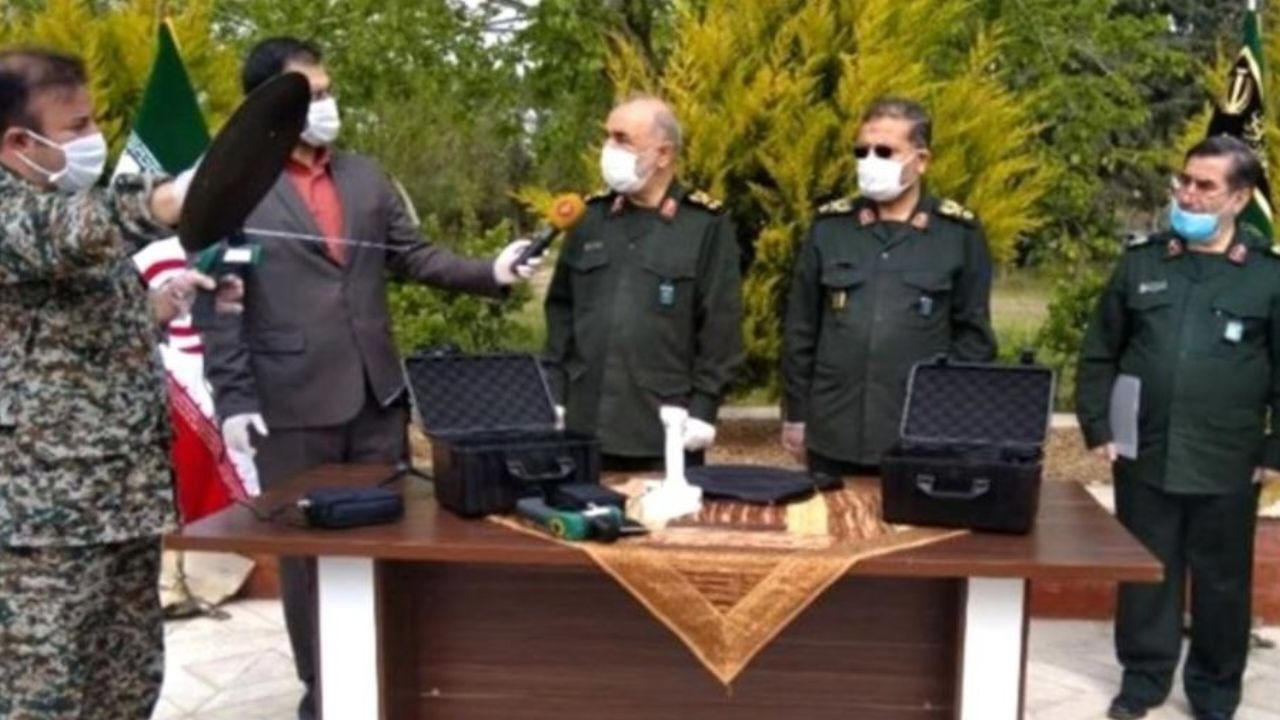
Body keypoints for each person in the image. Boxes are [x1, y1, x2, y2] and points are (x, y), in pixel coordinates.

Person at [200, 37, 540, 720]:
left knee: (391, 544)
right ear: (270, 105)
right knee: (308, 562)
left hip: (377, 400)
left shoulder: (364, 177)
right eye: (313, 95)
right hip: (290, 407)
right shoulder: (234, 187)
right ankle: (324, 696)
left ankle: (394, 686)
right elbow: (220, 304)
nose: (328, 105)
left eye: (329, 92)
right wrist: (233, 397)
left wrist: (491, 272)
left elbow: (414, 256)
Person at [0, 47, 238, 720]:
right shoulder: (33, 214)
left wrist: (163, 300)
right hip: (42, 522)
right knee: (43, 696)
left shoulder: (55, 201)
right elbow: (64, 234)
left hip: (120, 498)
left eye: (92, 120)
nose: (93, 138)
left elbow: (60, 323)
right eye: (76, 127)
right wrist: (171, 198)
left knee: (126, 686)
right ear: (18, 142)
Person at [1076, 135, 1280, 720]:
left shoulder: (1267, 276)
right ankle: (1143, 682)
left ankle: (1215, 692)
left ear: (1238, 198)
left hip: (1228, 456)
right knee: (1147, 573)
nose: (1187, 194)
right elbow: (1100, 350)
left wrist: (1274, 451)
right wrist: (1098, 425)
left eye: (1204, 185)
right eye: (1183, 181)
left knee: (1222, 583)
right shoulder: (1143, 262)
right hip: (1146, 449)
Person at [781, 97, 997, 477]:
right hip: (834, 429)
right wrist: (796, 413)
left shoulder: (957, 234)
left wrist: (951, 418)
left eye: (884, 152)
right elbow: (801, 328)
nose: (870, 161)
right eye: (862, 151)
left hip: (918, 433)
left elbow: (974, 339)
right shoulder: (830, 228)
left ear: (921, 160)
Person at [543, 94, 744, 472]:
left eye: (622, 139)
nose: (609, 148)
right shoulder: (590, 219)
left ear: (663, 154)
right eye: (607, 136)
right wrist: (553, 391)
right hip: (585, 421)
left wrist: (705, 408)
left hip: (663, 426)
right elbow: (561, 309)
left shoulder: (703, 225)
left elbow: (721, 325)